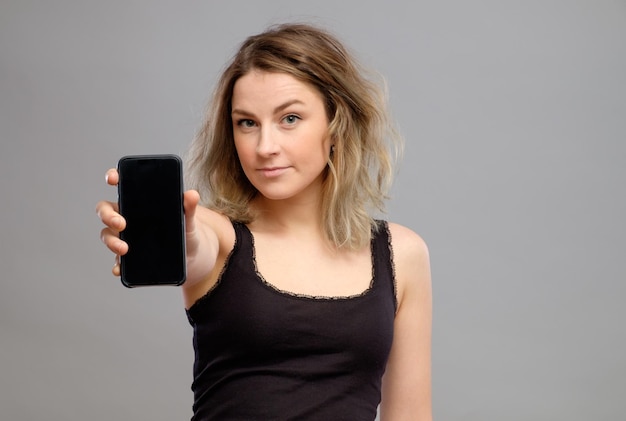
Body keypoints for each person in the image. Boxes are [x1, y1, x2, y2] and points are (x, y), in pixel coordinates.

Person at [96, 23, 432, 420]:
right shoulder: (218, 235)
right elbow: (197, 245)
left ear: (336, 124)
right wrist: (177, 236)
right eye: (247, 123)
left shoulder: (400, 254)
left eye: (289, 119)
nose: (265, 147)